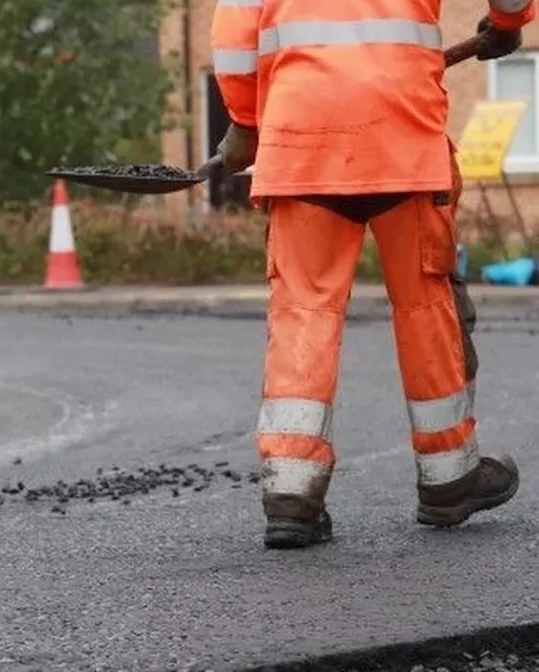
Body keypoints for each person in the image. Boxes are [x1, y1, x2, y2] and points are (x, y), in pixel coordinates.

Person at [210, 0, 532, 549]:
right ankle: (449, 477)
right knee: (427, 306)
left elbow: (234, 33)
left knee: (303, 311)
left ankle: (293, 492)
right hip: (401, 130)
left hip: (300, 136)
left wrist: (245, 120)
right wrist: (506, 25)